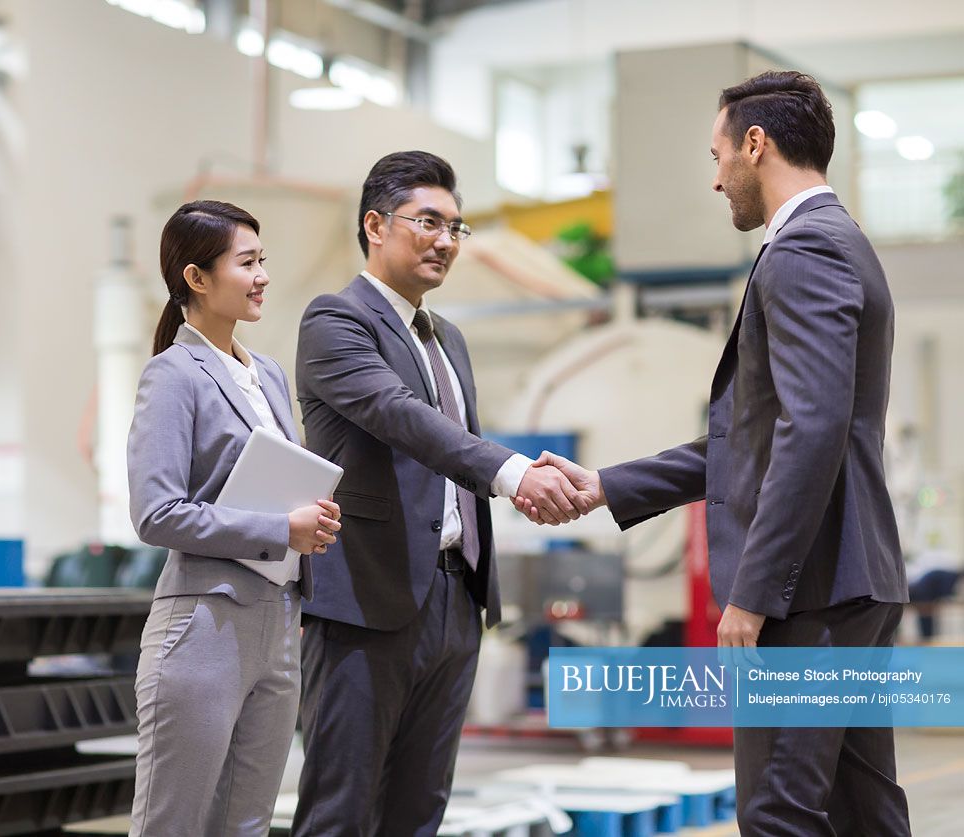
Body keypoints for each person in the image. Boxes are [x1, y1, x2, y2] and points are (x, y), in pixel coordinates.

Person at [522, 72, 912, 835]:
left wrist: (755, 589)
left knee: (776, 812)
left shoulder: (803, 251)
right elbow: (756, 439)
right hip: (845, 582)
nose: (714, 177)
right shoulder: (836, 242)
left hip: (810, 594)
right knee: (863, 810)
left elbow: (810, 430)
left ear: (755, 144)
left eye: (717, 154)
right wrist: (606, 484)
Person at [291, 150, 583, 836]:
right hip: (367, 601)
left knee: (420, 810)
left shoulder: (446, 336)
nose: (446, 241)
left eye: (456, 227)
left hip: (454, 600)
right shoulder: (334, 321)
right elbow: (404, 418)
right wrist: (512, 473)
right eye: (428, 221)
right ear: (374, 225)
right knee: (341, 808)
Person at [127, 200, 342, 836]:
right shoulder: (172, 377)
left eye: (262, 261)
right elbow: (156, 512)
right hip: (203, 626)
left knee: (246, 824)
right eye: (247, 263)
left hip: (277, 624)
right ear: (197, 278)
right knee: (174, 824)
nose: (263, 276)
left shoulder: (267, 374)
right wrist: (282, 530)